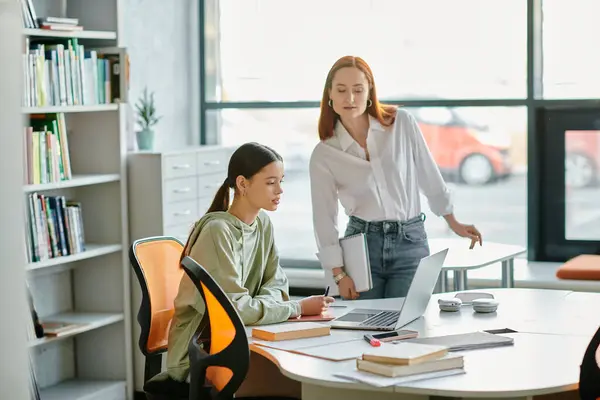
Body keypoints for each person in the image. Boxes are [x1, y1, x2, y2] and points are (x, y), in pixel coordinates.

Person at [310, 56, 483, 301]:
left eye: (358, 90)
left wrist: (453, 221)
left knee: (408, 327)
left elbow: (429, 175)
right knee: (364, 330)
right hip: (362, 247)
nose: (350, 98)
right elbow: (324, 219)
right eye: (341, 90)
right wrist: (338, 274)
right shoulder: (324, 154)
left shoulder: (401, 123)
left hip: (410, 242)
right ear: (330, 95)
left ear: (370, 92)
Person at [167, 142, 334, 386]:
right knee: (297, 380)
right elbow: (235, 310)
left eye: (281, 181)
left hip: (244, 335)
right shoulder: (217, 231)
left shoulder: (263, 223)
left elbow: (277, 283)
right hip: (203, 351)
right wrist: (296, 309)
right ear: (242, 184)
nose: (280, 190)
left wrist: (259, 306)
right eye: (270, 182)